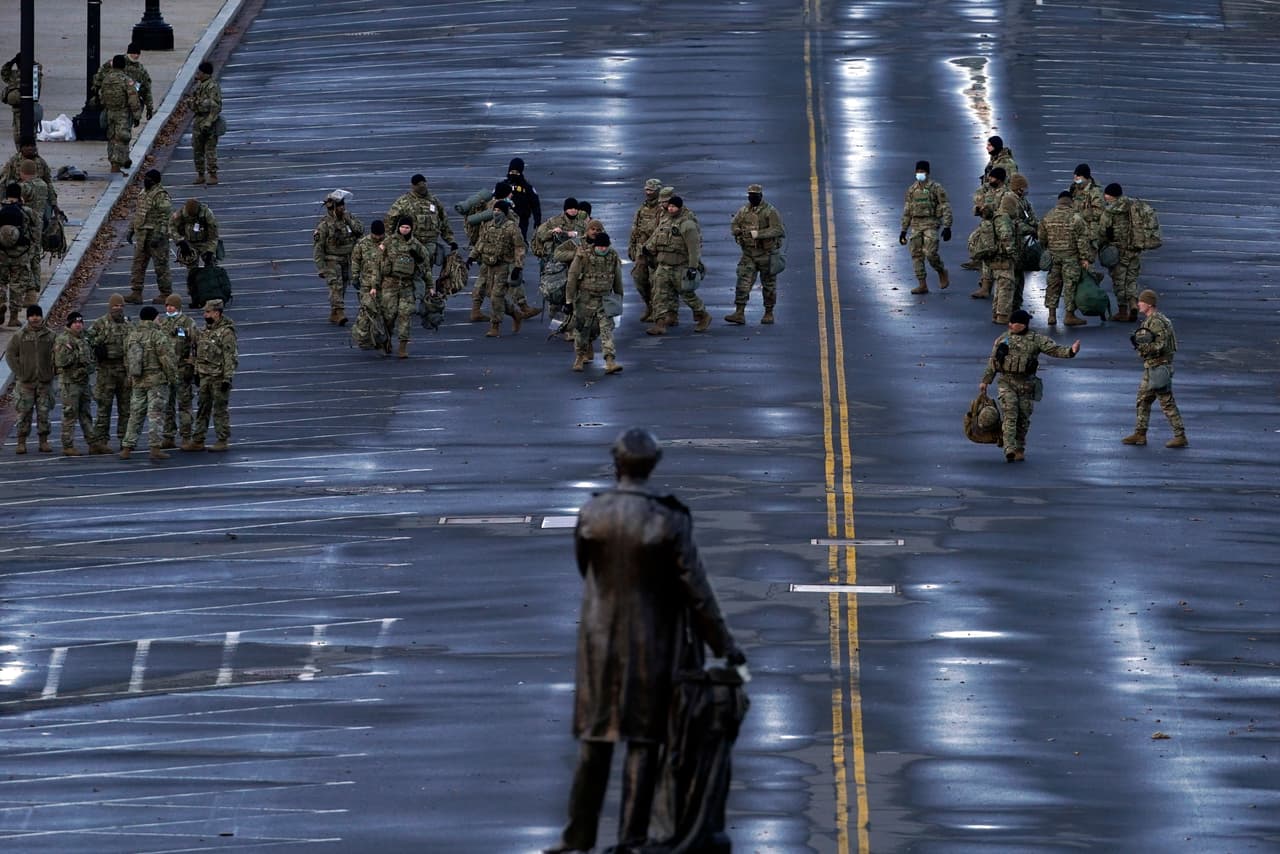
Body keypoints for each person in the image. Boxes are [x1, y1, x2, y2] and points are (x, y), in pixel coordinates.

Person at [544, 428, 744, 854]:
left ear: (616, 464)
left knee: (595, 741)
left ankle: (576, 837)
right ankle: (631, 839)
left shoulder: (592, 513)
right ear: (653, 465)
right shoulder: (667, 518)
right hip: (652, 642)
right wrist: (724, 645)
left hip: (599, 641)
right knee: (644, 741)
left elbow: (587, 567)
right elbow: (696, 590)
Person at [979, 308, 1081, 462]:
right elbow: (993, 362)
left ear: (1023, 325)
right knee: (1010, 411)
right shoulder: (1003, 340)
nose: (1011, 325)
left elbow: (1054, 349)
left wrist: (1071, 352)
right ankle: (1009, 447)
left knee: (1023, 417)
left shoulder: (1035, 339)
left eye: (1015, 323)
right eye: (1011, 323)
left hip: (1026, 384)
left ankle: (1019, 446)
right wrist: (985, 381)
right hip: (1006, 381)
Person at [1123, 289, 1187, 448]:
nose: (1138, 304)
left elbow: (1160, 345)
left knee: (1166, 401)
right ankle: (1140, 434)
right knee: (1143, 400)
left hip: (1158, 366)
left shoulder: (1156, 322)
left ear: (1149, 304)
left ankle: (1180, 435)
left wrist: (1142, 348)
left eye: (1141, 301)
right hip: (1153, 367)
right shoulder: (1155, 320)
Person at [644, 195, 710, 335]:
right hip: (663, 265)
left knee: (687, 294)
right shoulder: (665, 220)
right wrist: (647, 248)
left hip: (680, 265)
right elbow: (655, 237)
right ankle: (660, 323)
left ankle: (703, 316)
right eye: (669, 206)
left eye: (673, 206)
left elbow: (694, 248)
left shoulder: (687, 224)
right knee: (659, 295)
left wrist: (693, 267)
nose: (671, 208)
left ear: (679, 208)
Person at [120, 306, 177, 460]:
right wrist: (173, 378)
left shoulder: (132, 335)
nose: (160, 320)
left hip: (138, 380)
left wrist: (130, 377)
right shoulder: (157, 335)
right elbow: (166, 360)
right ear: (153, 318)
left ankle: (127, 447)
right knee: (155, 415)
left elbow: (127, 359)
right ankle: (155, 447)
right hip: (156, 381)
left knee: (135, 415)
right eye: (158, 317)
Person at [386, 173, 457, 297]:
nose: (422, 187)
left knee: (426, 271)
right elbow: (391, 220)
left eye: (424, 184)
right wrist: (388, 241)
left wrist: (450, 240)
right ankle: (411, 298)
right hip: (411, 243)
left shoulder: (433, 201)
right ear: (413, 186)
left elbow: (443, 221)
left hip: (430, 244)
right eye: (419, 185)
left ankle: (425, 299)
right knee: (410, 272)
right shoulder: (404, 201)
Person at [565, 231, 624, 375]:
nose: (603, 249)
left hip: (604, 299)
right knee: (582, 330)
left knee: (606, 329)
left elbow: (617, 278)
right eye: (600, 247)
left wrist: (619, 298)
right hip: (585, 299)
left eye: (605, 246)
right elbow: (572, 278)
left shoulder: (612, 256)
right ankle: (580, 357)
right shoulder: (583, 256)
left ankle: (610, 361)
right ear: (595, 246)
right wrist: (569, 300)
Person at [727, 183, 787, 322]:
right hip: (749, 254)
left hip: (766, 254)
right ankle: (739, 312)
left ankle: (769, 312)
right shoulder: (744, 211)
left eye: (755, 195)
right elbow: (734, 223)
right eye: (750, 195)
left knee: (769, 285)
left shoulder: (770, 211)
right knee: (743, 282)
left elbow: (778, 230)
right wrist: (736, 230)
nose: (752, 198)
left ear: (761, 196)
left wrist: (758, 234)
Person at [372, 216, 428, 357]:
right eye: (402, 227)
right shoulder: (389, 242)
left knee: (405, 315)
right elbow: (377, 264)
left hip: (407, 286)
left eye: (407, 227)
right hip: (390, 284)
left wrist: (430, 286)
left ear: (411, 228)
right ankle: (387, 341)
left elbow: (425, 267)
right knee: (389, 315)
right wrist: (374, 285)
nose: (404, 229)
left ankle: (402, 347)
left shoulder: (416, 245)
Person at [470, 199, 526, 338]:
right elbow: (481, 242)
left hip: (504, 266)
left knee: (496, 296)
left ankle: (495, 326)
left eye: (499, 211)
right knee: (492, 294)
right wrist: (471, 257)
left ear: (505, 213)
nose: (496, 213)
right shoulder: (489, 226)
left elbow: (519, 247)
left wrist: (518, 267)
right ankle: (515, 313)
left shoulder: (512, 228)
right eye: (494, 210)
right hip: (489, 266)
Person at [963, 135, 1018, 272]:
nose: (987, 147)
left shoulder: (1006, 163)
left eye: (989, 145)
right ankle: (981, 259)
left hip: (1000, 200)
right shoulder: (995, 160)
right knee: (986, 231)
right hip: (991, 198)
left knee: (995, 233)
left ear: (996, 146)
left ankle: (990, 262)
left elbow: (1011, 182)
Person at [5, 304, 55, 454]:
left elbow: (58, 355)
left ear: (41, 316)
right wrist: (20, 373)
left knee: (44, 413)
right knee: (24, 413)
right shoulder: (19, 336)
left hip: (44, 382)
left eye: (37, 315)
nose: (35, 318)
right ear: (28, 317)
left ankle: (43, 441)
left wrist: (53, 371)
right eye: (32, 315)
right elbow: (10, 355)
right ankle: (21, 442)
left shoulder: (50, 336)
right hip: (26, 383)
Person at [188, 298, 237, 451]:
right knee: (202, 408)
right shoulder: (205, 331)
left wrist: (227, 378)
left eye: (207, 312)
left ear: (216, 313)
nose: (205, 315)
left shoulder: (226, 333)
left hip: (218, 377)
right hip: (204, 376)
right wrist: (196, 371)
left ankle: (222, 439)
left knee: (220, 409)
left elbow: (230, 357)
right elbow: (198, 353)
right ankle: (198, 439)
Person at [1038, 191, 1093, 327]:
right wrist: (1085, 258)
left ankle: (1051, 316)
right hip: (1071, 258)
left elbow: (1041, 237)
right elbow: (1082, 240)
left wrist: (1048, 248)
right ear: (1071, 201)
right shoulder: (1076, 217)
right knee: (1070, 286)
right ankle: (1069, 315)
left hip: (1053, 256)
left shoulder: (1048, 216)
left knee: (1053, 285)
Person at [898, 163, 951, 296]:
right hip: (916, 224)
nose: (920, 174)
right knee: (916, 254)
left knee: (930, 253)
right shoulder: (912, 190)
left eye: (922, 171)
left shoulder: (936, 188)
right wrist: (904, 230)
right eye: (918, 171)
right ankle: (922, 284)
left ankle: (941, 270)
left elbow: (945, 206)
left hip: (931, 223)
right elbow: (907, 210)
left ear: (927, 173)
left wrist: (947, 226)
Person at [87, 294, 133, 451]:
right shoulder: (100, 324)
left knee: (126, 408)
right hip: (106, 372)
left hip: (124, 371)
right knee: (103, 408)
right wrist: (98, 349)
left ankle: (125, 440)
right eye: (115, 306)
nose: (118, 309)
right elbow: (87, 341)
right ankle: (100, 441)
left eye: (121, 306)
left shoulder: (128, 325)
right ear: (110, 307)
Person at [313, 190, 364, 325]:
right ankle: (340, 312)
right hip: (332, 260)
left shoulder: (349, 218)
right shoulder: (324, 225)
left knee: (344, 287)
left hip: (348, 259)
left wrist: (349, 221)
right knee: (336, 286)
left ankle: (334, 313)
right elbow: (318, 248)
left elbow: (360, 230)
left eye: (343, 205)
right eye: (340, 205)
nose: (343, 207)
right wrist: (321, 268)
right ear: (333, 207)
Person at [126, 169, 173, 304]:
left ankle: (165, 293)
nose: (145, 180)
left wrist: (158, 235)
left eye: (148, 179)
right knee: (138, 265)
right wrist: (131, 229)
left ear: (154, 181)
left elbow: (165, 218)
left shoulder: (161, 196)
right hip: (142, 235)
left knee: (161, 266)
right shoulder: (143, 193)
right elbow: (138, 213)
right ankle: (136, 292)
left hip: (156, 236)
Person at [157, 294, 198, 448]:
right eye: (167, 305)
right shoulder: (162, 322)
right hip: (167, 370)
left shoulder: (187, 322)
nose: (169, 308)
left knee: (184, 404)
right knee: (167, 405)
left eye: (172, 305)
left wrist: (192, 363)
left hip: (182, 369)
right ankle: (168, 436)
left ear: (178, 306)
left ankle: (186, 436)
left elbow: (195, 343)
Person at [54, 311, 97, 456]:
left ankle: (92, 443)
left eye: (80, 322)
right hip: (70, 383)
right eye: (75, 323)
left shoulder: (84, 338)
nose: (78, 325)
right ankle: (68, 445)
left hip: (83, 381)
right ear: (69, 324)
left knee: (86, 413)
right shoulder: (63, 339)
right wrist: (77, 355)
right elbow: (60, 361)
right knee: (70, 414)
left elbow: (91, 358)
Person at [1098, 183, 1141, 322]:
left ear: (1112, 195)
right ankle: (1133, 304)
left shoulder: (1109, 211)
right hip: (1134, 249)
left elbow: (1103, 232)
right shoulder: (1133, 206)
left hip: (1117, 251)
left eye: (1107, 194)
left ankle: (1122, 311)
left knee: (1119, 281)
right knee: (1132, 278)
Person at [627, 178, 664, 322]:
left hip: (656, 251)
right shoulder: (642, 209)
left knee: (657, 282)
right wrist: (632, 246)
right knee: (639, 278)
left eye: (651, 190)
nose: (648, 193)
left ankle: (659, 310)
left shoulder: (663, 209)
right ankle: (649, 305)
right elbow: (635, 229)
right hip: (641, 251)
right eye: (647, 190)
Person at [171, 197, 221, 303]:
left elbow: (214, 235)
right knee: (191, 270)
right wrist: (180, 241)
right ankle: (194, 293)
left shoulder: (207, 214)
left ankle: (213, 292)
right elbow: (171, 227)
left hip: (205, 242)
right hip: (189, 243)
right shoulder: (181, 213)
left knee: (211, 266)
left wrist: (210, 251)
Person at [0, 180, 36, 325]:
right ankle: (13, 318)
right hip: (20, 255)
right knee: (17, 285)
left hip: (1, 254)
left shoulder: (1, 210)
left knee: (1, 282)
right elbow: (35, 232)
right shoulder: (26, 211)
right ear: (20, 195)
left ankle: (0, 303)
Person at [98, 56, 140, 174]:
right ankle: (116, 164)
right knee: (122, 137)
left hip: (110, 112)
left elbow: (102, 96)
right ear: (124, 66)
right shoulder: (126, 80)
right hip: (122, 113)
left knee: (111, 137)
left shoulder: (106, 79)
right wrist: (136, 115)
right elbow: (133, 98)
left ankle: (113, 160)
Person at [349, 219, 386, 349]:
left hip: (384, 283)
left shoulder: (388, 243)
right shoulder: (362, 244)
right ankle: (364, 338)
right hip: (366, 283)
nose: (379, 237)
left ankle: (380, 339)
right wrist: (354, 277)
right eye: (376, 235)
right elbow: (355, 261)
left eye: (381, 235)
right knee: (366, 312)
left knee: (383, 313)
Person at [1006, 173, 1037, 313]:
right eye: (1023, 188)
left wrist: (1037, 227)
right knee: (1012, 277)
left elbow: (1032, 217)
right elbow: (1013, 223)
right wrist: (1031, 229)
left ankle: (1016, 305)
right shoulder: (1009, 201)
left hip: (1021, 243)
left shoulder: (1023, 201)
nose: (1025, 190)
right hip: (1011, 243)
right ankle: (1009, 307)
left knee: (1019, 275)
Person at [191, 61, 223, 185]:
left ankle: (213, 174)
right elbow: (193, 101)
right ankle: (200, 174)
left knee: (210, 149)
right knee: (197, 149)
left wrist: (209, 122)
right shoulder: (199, 86)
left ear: (205, 74)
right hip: (198, 119)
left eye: (199, 72)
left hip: (209, 121)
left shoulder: (212, 87)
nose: (197, 74)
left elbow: (216, 107)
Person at [2, 54, 42, 150]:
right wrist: (11, 62)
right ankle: (20, 156)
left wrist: (29, 60)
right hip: (16, 111)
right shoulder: (14, 75)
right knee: (17, 138)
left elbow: (39, 68)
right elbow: (4, 73)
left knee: (28, 138)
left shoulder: (34, 73)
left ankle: (28, 156)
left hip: (28, 110)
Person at [1069, 163, 1105, 249]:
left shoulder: (1095, 191)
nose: (1076, 179)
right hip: (1073, 230)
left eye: (1078, 176)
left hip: (1088, 232)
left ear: (1085, 177)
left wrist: (1079, 215)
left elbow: (1099, 211)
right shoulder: (1074, 188)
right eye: (1075, 176)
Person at [505, 157, 541, 240]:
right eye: (511, 172)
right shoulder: (502, 186)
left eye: (516, 172)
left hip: (522, 220)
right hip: (505, 220)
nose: (513, 174)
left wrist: (537, 220)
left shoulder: (527, 187)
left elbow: (535, 204)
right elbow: (492, 201)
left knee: (521, 240)